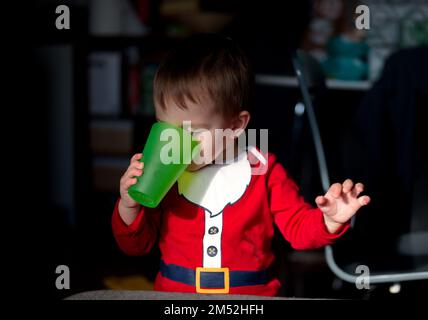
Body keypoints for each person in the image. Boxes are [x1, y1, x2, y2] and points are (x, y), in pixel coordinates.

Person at [112, 34, 370, 296]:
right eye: (167, 129)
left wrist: (329, 220)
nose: (175, 143)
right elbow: (136, 246)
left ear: (235, 126)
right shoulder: (165, 172)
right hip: (175, 297)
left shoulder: (264, 171)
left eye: (193, 132)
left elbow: (297, 228)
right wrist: (129, 206)